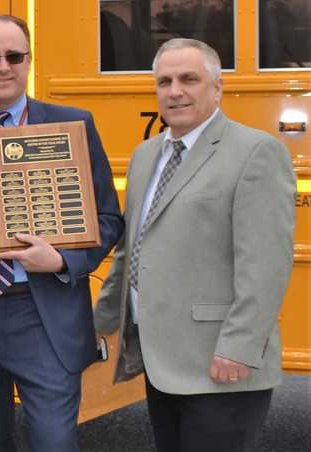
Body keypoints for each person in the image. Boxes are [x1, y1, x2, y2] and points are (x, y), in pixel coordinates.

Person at [93, 38, 296, 452]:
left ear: (217, 87)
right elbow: (131, 251)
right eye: (164, 81)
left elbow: (265, 265)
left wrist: (239, 348)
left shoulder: (256, 152)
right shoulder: (147, 155)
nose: (174, 91)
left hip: (220, 363)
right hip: (160, 360)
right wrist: (98, 324)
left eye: (189, 79)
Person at [0, 15, 124, 451]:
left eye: (13, 56)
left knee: (53, 442)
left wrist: (62, 261)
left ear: (28, 61)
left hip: (45, 314)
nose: (3, 66)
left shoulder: (73, 124)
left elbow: (108, 218)